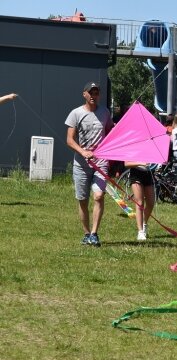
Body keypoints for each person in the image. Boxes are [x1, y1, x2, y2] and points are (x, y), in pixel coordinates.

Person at [65, 81, 113, 247]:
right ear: (84, 94)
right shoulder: (75, 113)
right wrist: (83, 152)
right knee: (83, 200)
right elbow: (69, 140)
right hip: (81, 164)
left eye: (96, 93)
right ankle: (86, 233)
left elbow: (110, 133)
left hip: (101, 162)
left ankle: (94, 234)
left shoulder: (105, 112)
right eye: (91, 93)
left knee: (99, 196)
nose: (94, 96)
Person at [124, 162, 155, 241]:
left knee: (151, 202)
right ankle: (140, 231)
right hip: (136, 174)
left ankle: (144, 224)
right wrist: (141, 163)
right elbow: (126, 164)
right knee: (139, 203)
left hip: (148, 173)